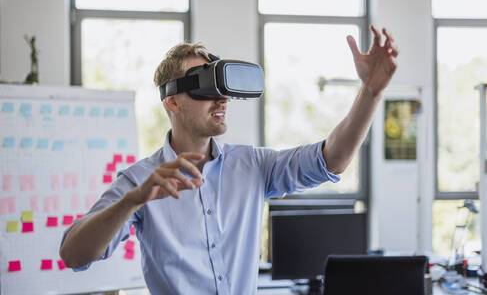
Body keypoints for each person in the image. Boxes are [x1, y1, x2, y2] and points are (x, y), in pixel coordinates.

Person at [60, 25, 398, 294]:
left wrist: (370, 92)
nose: (221, 99)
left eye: (222, 87)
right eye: (206, 88)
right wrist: (132, 201)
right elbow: (73, 254)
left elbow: (332, 159)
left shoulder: (252, 166)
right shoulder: (141, 181)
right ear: (173, 102)